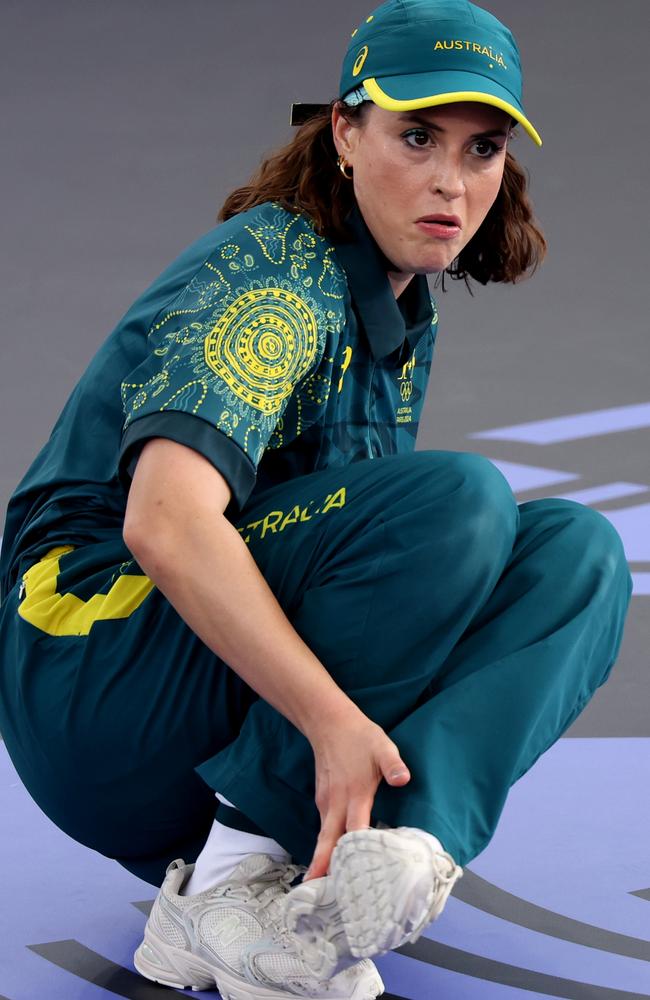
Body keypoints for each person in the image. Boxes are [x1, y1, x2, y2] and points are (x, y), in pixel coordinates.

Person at [0, 0, 633, 997]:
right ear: (343, 130)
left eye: (480, 149)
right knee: (455, 502)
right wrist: (329, 721)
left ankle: (388, 861)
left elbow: (379, 603)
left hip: (195, 697)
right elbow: (161, 523)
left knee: (576, 553)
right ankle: (232, 879)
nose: (449, 180)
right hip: (93, 678)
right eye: (415, 135)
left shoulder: (394, 292)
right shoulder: (274, 279)